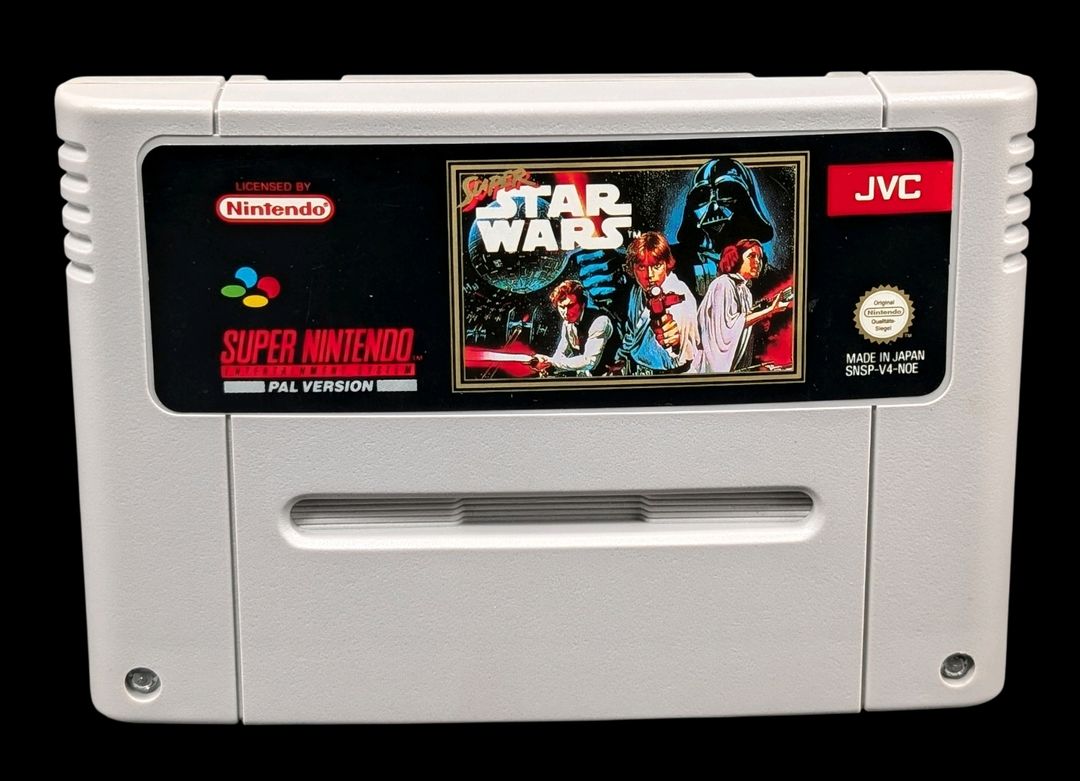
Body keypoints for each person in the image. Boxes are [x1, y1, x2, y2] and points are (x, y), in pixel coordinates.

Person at [692, 239, 792, 374]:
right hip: (710, 367)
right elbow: (730, 327)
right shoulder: (724, 284)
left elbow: (742, 327)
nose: (757, 262)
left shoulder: (746, 292)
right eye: (752, 256)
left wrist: (760, 320)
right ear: (737, 259)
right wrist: (770, 310)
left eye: (760, 258)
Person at [616, 232, 698, 374]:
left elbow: (683, 343)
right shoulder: (637, 291)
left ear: (666, 265)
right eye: (642, 267)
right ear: (633, 268)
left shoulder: (678, 294)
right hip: (641, 371)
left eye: (656, 266)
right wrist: (620, 357)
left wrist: (674, 340)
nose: (650, 275)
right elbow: (632, 331)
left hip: (673, 375)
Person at [532, 279, 617, 376]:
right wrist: (547, 365)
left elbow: (589, 362)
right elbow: (561, 353)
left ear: (582, 304)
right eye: (562, 307)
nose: (566, 312)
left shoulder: (600, 321)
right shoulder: (567, 324)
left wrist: (552, 362)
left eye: (570, 306)